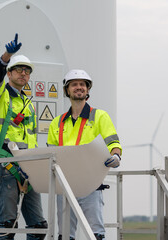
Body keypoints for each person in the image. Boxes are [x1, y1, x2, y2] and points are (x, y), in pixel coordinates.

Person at [47, 69, 122, 240]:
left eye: (83, 84)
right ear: (67, 90)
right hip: (64, 184)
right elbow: (51, 153)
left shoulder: (99, 116)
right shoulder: (56, 123)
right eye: (74, 84)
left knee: (95, 234)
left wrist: (116, 156)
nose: (79, 87)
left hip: (91, 183)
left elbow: (113, 142)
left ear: (88, 90)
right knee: (65, 235)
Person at [0, 33, 47, 240]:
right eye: (19, 70)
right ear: (9, 73)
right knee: (7, 226)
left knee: (39, 226)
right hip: (7, 164)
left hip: (29, 166)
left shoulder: (28, 104)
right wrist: (6, 56)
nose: (23, 74)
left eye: (27, 71)